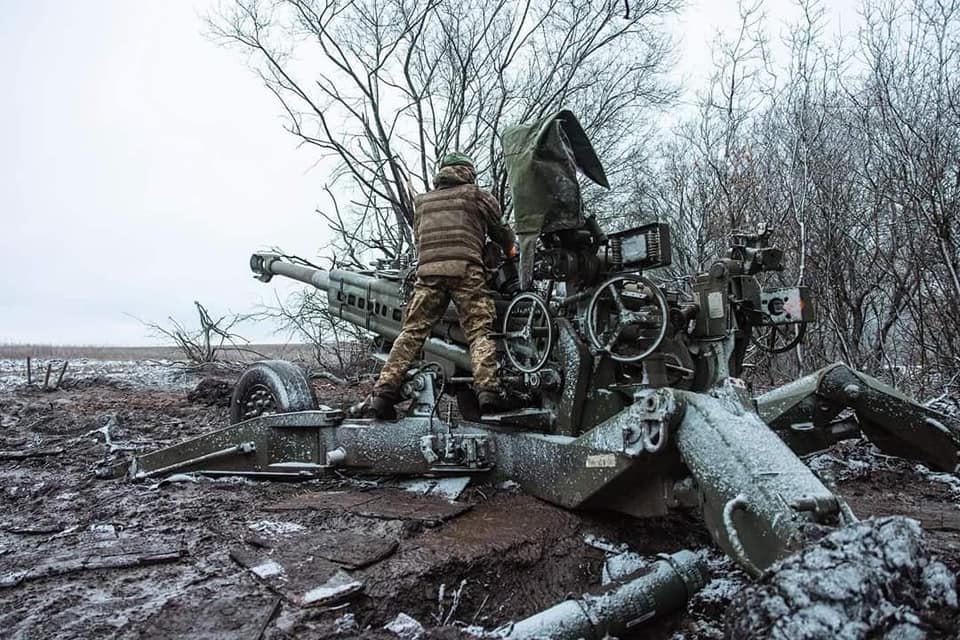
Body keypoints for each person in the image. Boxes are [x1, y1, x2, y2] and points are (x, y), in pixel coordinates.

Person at [364, 152, 518, 420]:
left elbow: (419, 239)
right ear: (467, 171)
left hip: (428, 274)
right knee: (479, 331)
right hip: (466, 271)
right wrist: (509, 250)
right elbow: (502, 231)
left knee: (412, 332)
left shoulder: (422, 202)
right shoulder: (477, 195)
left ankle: (382, 396)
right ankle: (488, 395)